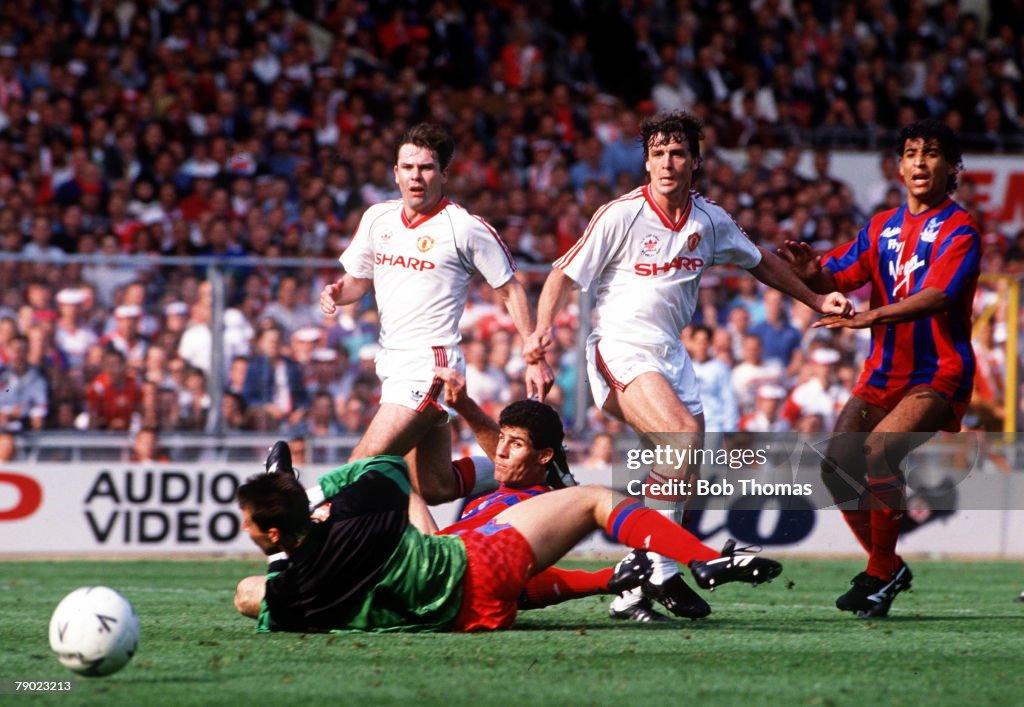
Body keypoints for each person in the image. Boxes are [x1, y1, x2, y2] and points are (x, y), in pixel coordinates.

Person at [524, 111, 851, 620]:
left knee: (684, 464)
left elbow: (760, 260)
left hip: (671, 356)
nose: (667, 163)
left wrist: (814, 299)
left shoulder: (710, 219)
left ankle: (633, 587)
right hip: (620, 346)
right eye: (657, 153)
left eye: (678, 153)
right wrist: (542, 330)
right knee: (680, 435)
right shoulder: (621, 214)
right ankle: (665, 572)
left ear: (695, 161)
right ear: (647, 162)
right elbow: (561, 274)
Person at [233, 439, 782, 633]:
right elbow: (391, 468)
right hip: (474, 565)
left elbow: (251, 596)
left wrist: (290, 551)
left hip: (460, 613)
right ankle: (704, 559)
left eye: (514, 444)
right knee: (597, 498)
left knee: (248, 594)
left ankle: (614, 579)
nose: (502, 451)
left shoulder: (293, 595)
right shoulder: (354, 511)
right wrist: (328, 498)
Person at [778, 118, 981, 618]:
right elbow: (840, 273)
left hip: (938, 373)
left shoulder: (961, 229)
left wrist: (871, 315)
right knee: (835, 466)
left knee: (877, 454)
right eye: (911, 152)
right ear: (898, 165)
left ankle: (879, 575)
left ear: (952, 167)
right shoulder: (881, 226)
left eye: (931, 153)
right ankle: (885, 566)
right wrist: (814, 274)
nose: (919, 162)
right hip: (883, 373)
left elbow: (938, 295)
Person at [318, 123, 552, 506]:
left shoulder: (465, 228)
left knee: (359, 466)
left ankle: (306, 532)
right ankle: (531, 470)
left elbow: (510, 288)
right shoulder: (379, 219)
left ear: (443, 174)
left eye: (426, 168)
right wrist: (336, 292)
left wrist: (533, 355)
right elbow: (358, 281)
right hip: (391, 363)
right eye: (407, 167)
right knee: (435, 487)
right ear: (395, 173)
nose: (416, 176)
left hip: (431, 365)